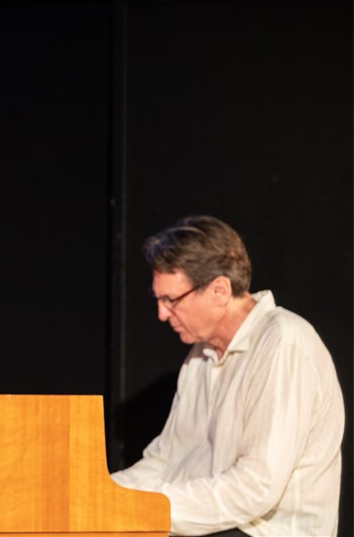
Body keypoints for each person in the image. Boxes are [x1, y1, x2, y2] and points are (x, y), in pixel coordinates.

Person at [110, 215, 344, 537]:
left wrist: (141, 509)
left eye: (171, 300)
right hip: (219, 527)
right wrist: (101, 496)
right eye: (159, 300)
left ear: (219, 290)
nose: (162, 314)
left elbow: (256, 488)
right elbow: (167, 461)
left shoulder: (284, 344)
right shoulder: (200, 357)